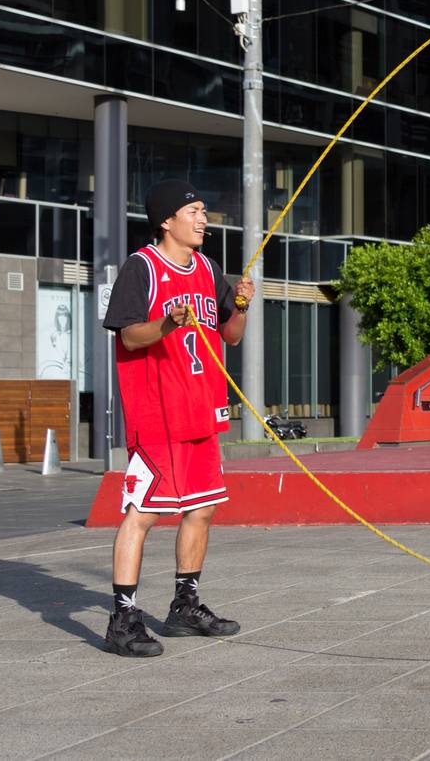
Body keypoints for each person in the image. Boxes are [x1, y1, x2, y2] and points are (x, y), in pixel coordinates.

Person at [100, 179, 254, 658]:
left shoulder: (209, 268)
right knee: (142, 513)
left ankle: (184, 605)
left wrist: (243, 304)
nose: (203, 218)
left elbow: (230, 336)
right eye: (194, 210)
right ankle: (122, 619)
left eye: (204, 209)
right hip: (158, 413)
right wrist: (168, 322)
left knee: (202, 508)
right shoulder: (141, 268)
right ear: (166, 220)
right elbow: (128, 337)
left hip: (201, 410)